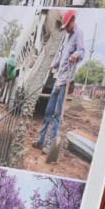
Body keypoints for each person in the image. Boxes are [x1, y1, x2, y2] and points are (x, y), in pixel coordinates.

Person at [32, 9, 84, 152]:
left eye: (67, 26)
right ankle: (40, 140)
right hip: (58, 79)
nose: (66, 29)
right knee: (48, 111)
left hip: (66, 80)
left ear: (73, 22)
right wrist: (53, 65)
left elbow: (82, 52)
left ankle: (50, 145)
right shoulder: (67, 37)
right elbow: (62, 57)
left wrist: (76, 55)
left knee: (56, 114)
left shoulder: (78, 34)